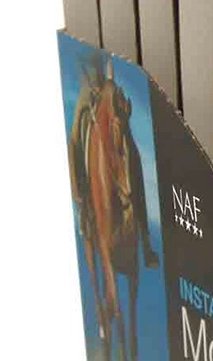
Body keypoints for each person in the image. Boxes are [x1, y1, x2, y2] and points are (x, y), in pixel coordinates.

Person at [68, 55, 159, 269]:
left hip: (108, 86)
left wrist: (110, 82)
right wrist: (89, 87)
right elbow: (78, 63)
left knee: (130, 148)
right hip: (87, 90)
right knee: (75, 136)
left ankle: (145, 240)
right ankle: (83, 206)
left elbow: (108, 59)